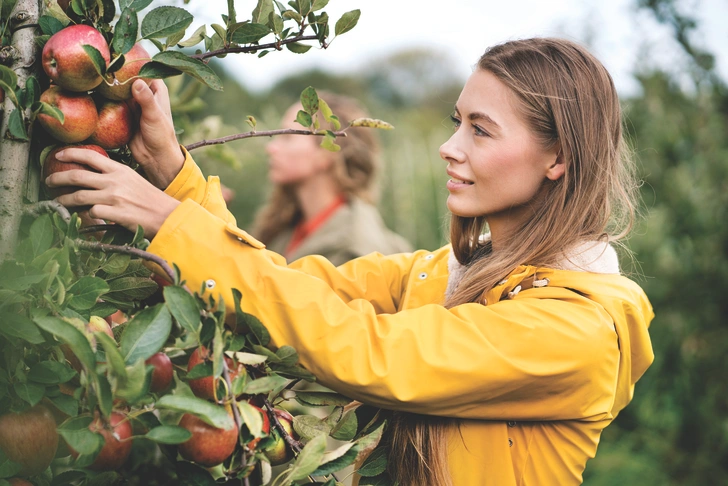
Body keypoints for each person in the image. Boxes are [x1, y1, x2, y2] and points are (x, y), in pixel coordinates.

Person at [46, 37, 655, 486]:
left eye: (481, 130)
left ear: (558, 159)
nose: (449, 147)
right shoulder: (443, 273)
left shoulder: (574, 331)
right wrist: (175, 178)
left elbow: (366, 351)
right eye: (455, 123)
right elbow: (290, 290)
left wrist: (169, 221)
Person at [251, 93, 412, 265]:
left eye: (287, 137)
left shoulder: (355, 250)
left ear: (328, 152)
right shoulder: (285, 227)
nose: (271, 148)